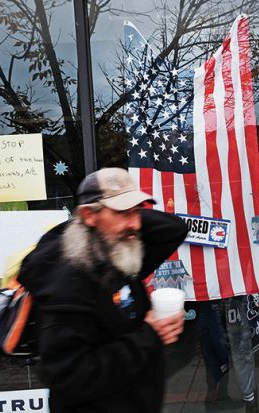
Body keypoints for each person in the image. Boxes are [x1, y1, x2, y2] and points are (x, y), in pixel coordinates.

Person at [18, 167, 189, 413]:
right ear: (89, 215)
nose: (136, 224)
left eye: (138, 211)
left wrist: (116, 219)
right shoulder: (67, 282)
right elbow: (69, 378)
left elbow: (173, 228)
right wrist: (150, 335)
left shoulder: (117, 252)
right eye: (123, 212)